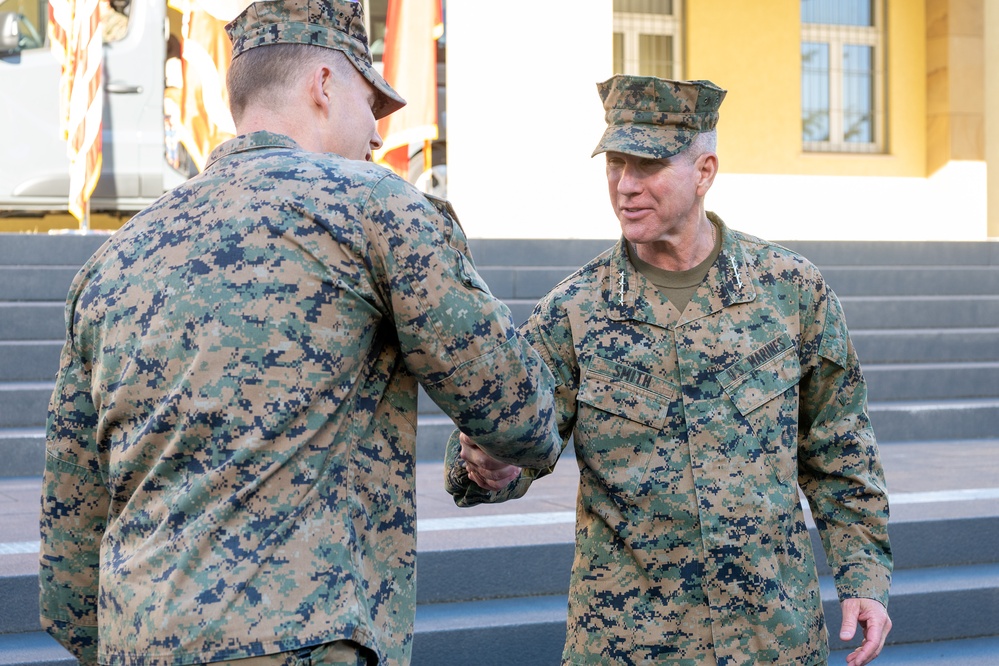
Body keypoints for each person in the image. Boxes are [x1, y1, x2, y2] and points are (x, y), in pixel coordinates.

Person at [38, 1, 561, 664]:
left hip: (135, 644)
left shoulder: (110, 264)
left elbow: (67, 563)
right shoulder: (376, 208)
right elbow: (517, 415)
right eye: (371, 105)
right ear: (323, 84)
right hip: (300, 643)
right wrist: (493, 453)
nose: (376, 135)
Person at [445, 75, 893, 666]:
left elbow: (839, 449)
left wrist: (862, 575)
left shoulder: (790, 292)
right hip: (630, 644)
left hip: (772, 639)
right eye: (615, 165)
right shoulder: (574, 311)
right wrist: (490, 469)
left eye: (648, 166)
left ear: (704, 171)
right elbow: (503, 445)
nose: (625, 186)